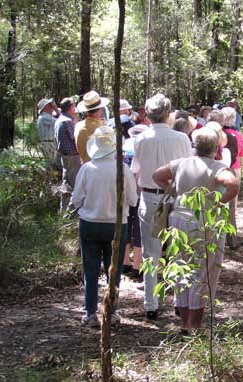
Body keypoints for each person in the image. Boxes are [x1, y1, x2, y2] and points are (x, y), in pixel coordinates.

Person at [153, 127, 239, 333]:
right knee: (203, 272)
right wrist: (218, 203)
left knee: (181, 268)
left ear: (195, 145)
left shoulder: (182, 163)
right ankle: (194, 326)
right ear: (216, 147)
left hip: (178, 221)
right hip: (203, 222)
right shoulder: (217, 166)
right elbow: (234, 185)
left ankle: (184, 324)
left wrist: (173, 191)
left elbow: (157, 175)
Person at [131, 94, 192, 320]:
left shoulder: (141, 139)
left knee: (151, 253)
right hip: (175, 197)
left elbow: (136, 169)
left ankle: (151, 304)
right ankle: (178, 300)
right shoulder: (182, 138)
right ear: (168, 114)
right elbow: (187, 168)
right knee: (177, 250)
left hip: (149, 197)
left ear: (148, 114)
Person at [71, 126, 138, 327]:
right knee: (114, 271)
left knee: (90, 269)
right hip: (116, 226)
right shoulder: (122, 169)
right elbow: (133, 200)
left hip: (89, 224)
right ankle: (111, 311)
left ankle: (90, 313)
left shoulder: (86, 169)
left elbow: (76, 200)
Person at [122, 125, 147, 280]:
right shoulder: (142, 148)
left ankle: (124, 262)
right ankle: (137, 265)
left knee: (126, 224)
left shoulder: (125, 147)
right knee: (138, 227)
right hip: (138, 191)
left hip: (124, 191)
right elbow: (140, 170)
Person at [222, 106, 243, 248]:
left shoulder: (216, 133)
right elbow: (241, 154)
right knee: (231, 205)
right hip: (233, 169)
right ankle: (232, 238)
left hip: (217, 170)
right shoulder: (236, 135)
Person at [54, 97, 81, 213]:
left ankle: (64, 211)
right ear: (70, 107)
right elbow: (75, 138)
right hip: (72, 157)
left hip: (65, 157)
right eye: (74, 105)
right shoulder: (67, 121)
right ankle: (72, 213)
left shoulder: (60, 120)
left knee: (67, 184)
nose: (75, 107)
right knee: (75, 185)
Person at [75, 90, 109, 163]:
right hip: (99, 167)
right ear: (100, 109)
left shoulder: (78, 125)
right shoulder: (102, 129)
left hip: (84, 166)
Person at [37, 98, 59, 162]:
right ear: (46, 107)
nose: (51, 106)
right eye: (49, 105)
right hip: (48, 144)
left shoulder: (45, 116)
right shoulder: (44, 117)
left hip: (49, 143)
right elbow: (60, 122)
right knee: (51, 163)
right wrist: (56, 108)